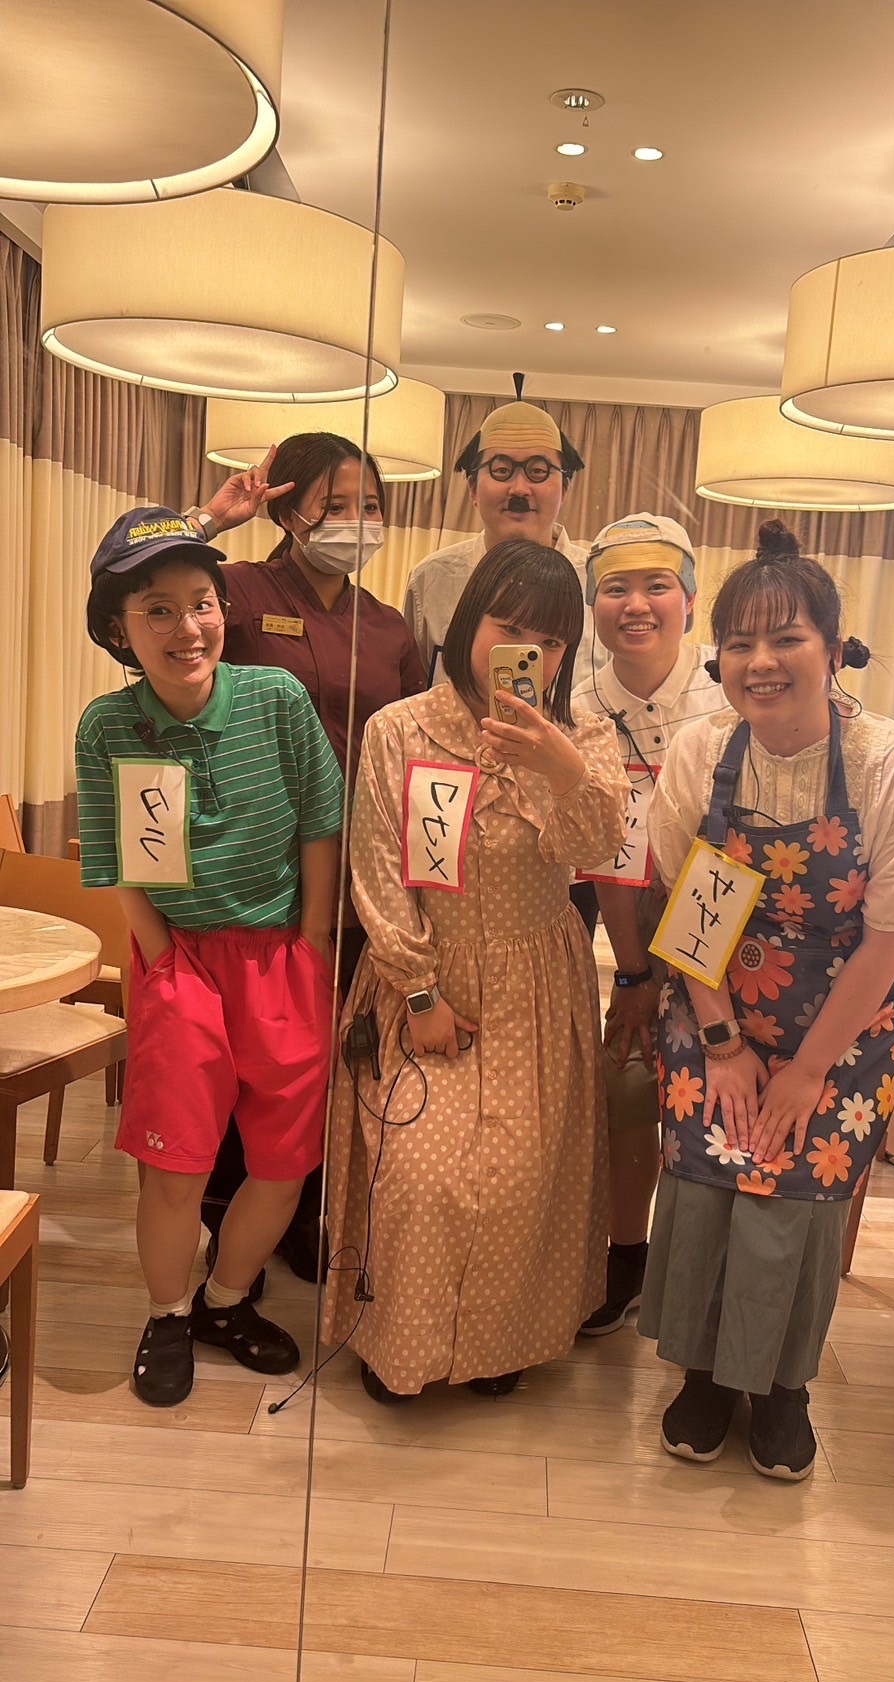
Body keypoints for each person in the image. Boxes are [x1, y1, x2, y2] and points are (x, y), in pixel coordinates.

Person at [640, 519, 894, 1480]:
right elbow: (690, 909)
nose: (762, 662)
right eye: (740, 642)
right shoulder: (701, 752)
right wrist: (724, 1043)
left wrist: (807, 1070)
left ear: (834, 648)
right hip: (716, 1001)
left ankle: (782, 1386)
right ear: (718, 657)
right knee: (704, 1182)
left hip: (848, 1021)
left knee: (797, 1196)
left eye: (787, 639)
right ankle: (703, 1374)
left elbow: (890, 937)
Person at [321, 540, 629, 1401]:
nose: (529, 652)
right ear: (467, 624)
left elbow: (596, 849)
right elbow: (380, 867)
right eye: (509, 627)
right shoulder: (400, 729)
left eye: (552, 641)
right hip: (426, 974)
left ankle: (498, 1343)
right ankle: (402, 1345)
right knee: (420, 1175)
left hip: (539, 982)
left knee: (524, 1179)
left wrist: (562, 770)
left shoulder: (585, 736)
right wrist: (419, 988)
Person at [75, 508, 343, 1407]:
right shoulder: (108, 727)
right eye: (157, 609)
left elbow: (320, 822)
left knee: (284, 1162)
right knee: (175, 1164)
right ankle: (167, 1314)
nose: (186, 627)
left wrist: (312, 940)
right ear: (120, 629)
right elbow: (117, 860)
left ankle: (226, 1302)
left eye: (201, 603)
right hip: (180, 959)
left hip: (282, 957)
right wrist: (161, 962)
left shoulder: (277, 699)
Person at [183, 434, 427, 1282]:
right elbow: (130, 604)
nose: (358, 521)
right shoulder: (236, 590)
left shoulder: (389, 627)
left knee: (319, 1055)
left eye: (371, 505)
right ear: (290, 510)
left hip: (355, 872)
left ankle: (296, 1211)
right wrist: (210, 521)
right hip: (250, 868)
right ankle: (223, 1233)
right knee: (240, 1058)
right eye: (336, 504)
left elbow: (418, 746)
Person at [571, 514, 727, 1334]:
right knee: (629, 1084)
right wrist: (633, 974)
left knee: (717, 1095)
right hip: (629, 920)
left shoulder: (731, 690)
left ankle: (703, 1269)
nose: (636, 604)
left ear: (690, 601)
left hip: (734, 927)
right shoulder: (577, 704)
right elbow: (606, 851)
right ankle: (626, 1251)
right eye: (615, 589)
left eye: (656, 585)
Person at [402, 394, 595, 688]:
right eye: (501, 470)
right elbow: (411, 692)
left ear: (565, 489)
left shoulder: (600, 583)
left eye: (538, 471)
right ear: (472, 488)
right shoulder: (431, 579)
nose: (519, 489)